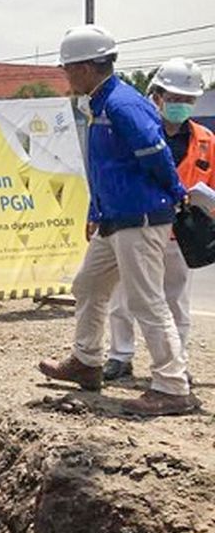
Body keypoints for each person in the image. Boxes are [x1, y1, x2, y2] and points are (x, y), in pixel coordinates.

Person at [39, 25, 197, 416]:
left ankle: (173, 386)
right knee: (88, 285)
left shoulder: (121, 105)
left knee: (147, 301)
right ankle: (87, 362)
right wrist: (96, 210)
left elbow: (157, 154)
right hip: (115, 219)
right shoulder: (101, 102)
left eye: (68, 68)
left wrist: (176, 195)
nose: (66, 75)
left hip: (140, 219)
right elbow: (106, 167)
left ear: (88, 67)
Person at [104, 57, 214, 382]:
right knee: (123, 298)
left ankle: (176, 362)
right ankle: (120, 356)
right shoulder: (135, 130)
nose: (180, 105)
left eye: (187, 99)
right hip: (138, 227)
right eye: (174, 97)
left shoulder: (206, 140)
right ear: (157, 94)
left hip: (182, 236)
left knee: (176, 302)